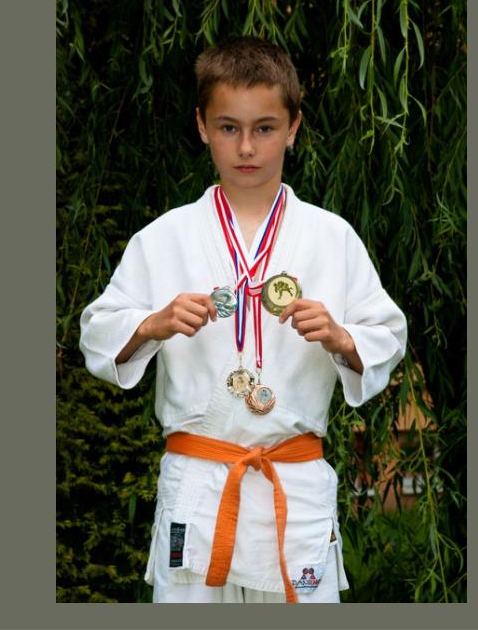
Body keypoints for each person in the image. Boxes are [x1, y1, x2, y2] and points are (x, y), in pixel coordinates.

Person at [79, 36, 407, 603]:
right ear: (202, 126)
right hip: (198, 483)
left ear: (293, 127)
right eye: (229, 127)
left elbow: (388, 335)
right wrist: (152, 324)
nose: (247, 147)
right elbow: (97, 332)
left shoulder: (331, 238)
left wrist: (341, 337)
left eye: (265, 128)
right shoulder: (165, 237)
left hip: (293, 480)